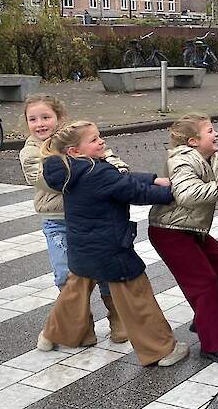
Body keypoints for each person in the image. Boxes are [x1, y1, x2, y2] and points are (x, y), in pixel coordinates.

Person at [36, 120, 188, 367]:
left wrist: (151, 178)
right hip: (111, 249)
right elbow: (133, 191)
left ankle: (55, 334)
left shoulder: (69, 170)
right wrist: (173, 193)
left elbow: (120, 179)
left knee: (74, 294)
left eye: (100, 136)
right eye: (94, 139)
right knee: (137, 296)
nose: (101, 141)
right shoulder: (98, 172)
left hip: (82, 249)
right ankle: (161, 349)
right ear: (75, 150)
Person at [18, 94, 129, 343]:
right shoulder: (30, 151)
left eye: (46, 117)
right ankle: (81, 327)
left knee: (103, 270)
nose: (40, 124)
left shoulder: (77, 139)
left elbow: (111, 159)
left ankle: (118, 319)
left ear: (58, 118)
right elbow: (48, 179)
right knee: (66, 276)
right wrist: (95, 174)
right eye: (33, 119)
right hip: (57, 221)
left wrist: (115, 173)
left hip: (91, 219)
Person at [148, 114, 218, 364]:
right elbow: (185, 194)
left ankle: (206, 320)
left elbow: (215, 196)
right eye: (210, 131)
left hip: (190, 228)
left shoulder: (210, 159)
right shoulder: (182, 160)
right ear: (193, 141)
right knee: (204, 282)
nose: (216, 134)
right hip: (168, 230)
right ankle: (213, 345)